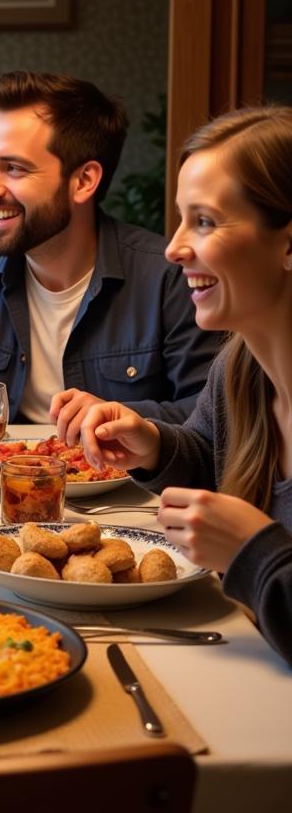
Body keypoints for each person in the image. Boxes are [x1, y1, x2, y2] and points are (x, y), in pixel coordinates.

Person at [0, 71, 221, 427]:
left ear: (84, 181)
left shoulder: (167, 277)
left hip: (123, 483)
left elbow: (214, 414)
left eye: (14, 168)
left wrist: (123, 419)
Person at [79, 106, 292, 666]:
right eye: (180, 219)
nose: (173, 248)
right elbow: (211, 457)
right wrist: (154, 444)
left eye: (204, 221)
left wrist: (257, 552)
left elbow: (253, 541)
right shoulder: (240, 369)